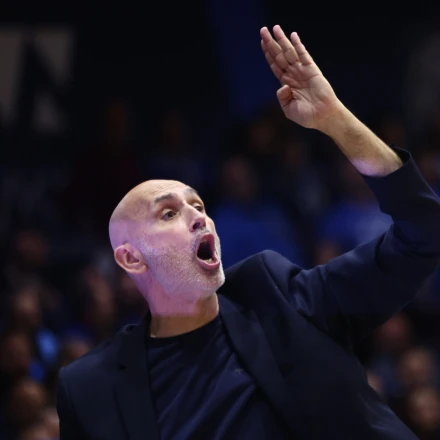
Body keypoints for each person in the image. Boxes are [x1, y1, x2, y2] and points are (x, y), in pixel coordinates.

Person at [56, 25, 440, 439]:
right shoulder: (90, 388)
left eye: (199, 205)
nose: (198, 217)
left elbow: (423, 233)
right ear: (131, 258)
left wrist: (336, 121)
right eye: (168, 213)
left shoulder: (278, 298)